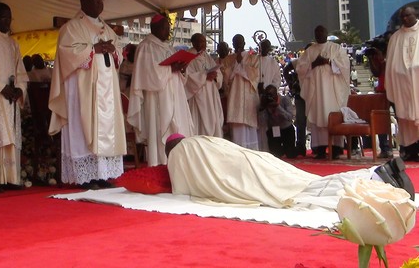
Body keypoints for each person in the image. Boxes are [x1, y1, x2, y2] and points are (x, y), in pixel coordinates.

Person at [165, 134, 414, 208]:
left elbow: (182, 189)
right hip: (257, 160)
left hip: (245, 176)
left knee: (304, 192)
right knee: (308, 179)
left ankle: (375, 180)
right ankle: (375, 173)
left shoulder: (178, 154)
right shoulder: (201, 140)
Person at [48, 0, 126, 189]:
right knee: (83, 126)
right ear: (83, 2)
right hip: (82, 90)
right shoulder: (72, 27)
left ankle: (102, 174)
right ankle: (85, 176)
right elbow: (66, 54)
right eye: (94, 0)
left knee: (106, 129)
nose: (99, 3)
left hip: (106, 91)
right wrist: (94, 50)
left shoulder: (107, 29)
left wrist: (113, 50)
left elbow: (119, 51)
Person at [128, 13, 195, 166]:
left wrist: (182, 69)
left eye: (169, 28)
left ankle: (180, 166)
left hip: (176, 95)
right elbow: (147, 75)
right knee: (160, 133)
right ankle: (160, 166)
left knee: (179, 130)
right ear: (155, 28)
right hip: (157, 98)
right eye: (166, 28)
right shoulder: (145, 47)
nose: (168, 31)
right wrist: (171, 69)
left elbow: (179, 76)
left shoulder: (170, 48)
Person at [0, 2, 28, 192]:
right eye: (3, 17)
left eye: (9, 18)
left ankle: (11, 178)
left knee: (11, 137)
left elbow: (21, 71)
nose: (7, 21)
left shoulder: (13, 43)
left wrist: (19, 89)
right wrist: (1, 87)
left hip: (11, 97)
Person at [296, 25, 350, 159]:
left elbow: (345, 66)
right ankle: (320, 148)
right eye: (317, 32)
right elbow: (300, 68)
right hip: (317, 92)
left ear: (326, 33)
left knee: (333, 115)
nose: (319, 34)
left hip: (333, 90)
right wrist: (314, 64)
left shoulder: (336, 48)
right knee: (318, 114)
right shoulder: (309, 51)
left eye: (321, 31)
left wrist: (328, 62)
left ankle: (337, 148)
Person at [386, 5, 419, 161]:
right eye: (402, 17)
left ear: (415, 14)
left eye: (407, 15)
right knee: (406, 120)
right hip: (402, 86)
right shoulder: (395, 38)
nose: (405, 19)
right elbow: (390, 65)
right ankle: (410, 150)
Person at [221, 34, 260, 150]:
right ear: (232, 44)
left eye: (240, 42)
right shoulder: (228, 59)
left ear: (244, 43)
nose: (238, 45)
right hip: (235, 96)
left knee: (250, 126)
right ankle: (239, 151)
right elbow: (225, 77)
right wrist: (236, 64)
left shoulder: (253, 58)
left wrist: (241, 64)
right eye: (235, 42)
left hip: (249, 96)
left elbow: (255, 76)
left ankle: (253, 152)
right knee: (237, 126)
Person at [185, 33, 224, 137]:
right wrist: (204, 76)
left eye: (204, 42)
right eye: (201, 41)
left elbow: (218, 71)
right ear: (193, 43)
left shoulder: (206, 56)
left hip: (211, 94)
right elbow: (188, 77)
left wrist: (215, 76)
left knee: (214, 120)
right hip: (198, 95)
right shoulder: (188, 56)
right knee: (199, 123)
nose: (203, 44)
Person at [257, 84, 297, 158]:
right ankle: (281, 149)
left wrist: (278, 107)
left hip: (286, 129)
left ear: (276, 94)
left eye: (271, 95)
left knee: (291, 155)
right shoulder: (265, 102)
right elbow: (262, 122)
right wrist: (262, 108)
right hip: (273, 130)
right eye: (268, 95)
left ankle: (291, 148)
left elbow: (290, 117)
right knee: (276, 155)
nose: (270, 98)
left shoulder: (285, 99)